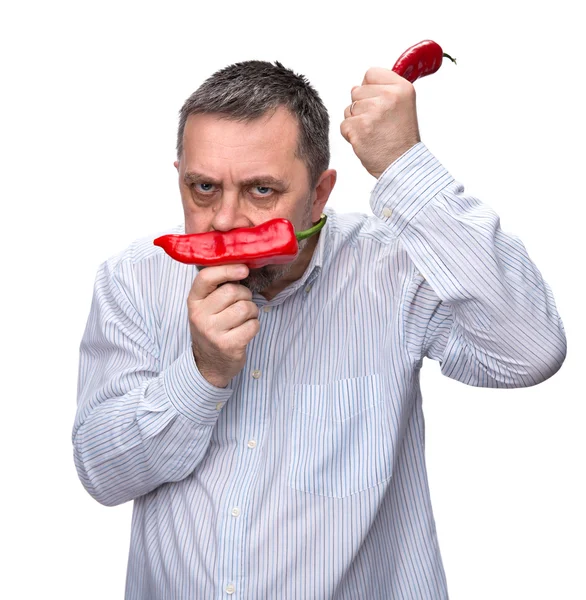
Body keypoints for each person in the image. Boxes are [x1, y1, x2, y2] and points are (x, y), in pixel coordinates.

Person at [73, 60, 567, 599]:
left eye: (262, 191)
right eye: (204, 188)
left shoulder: (392, 268)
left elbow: (531, 352)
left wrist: (404, 167)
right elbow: (102, 473)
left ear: (320, 193)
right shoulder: (133, 280)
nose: (225, 221)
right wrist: (201, 375)